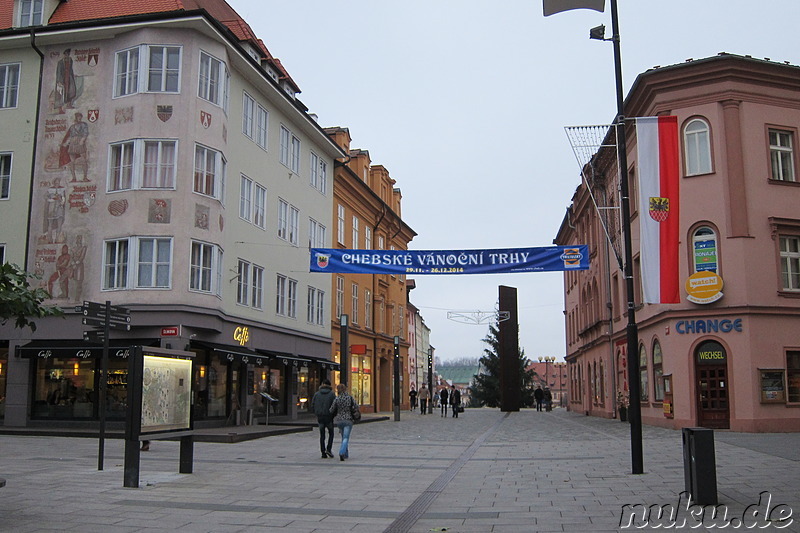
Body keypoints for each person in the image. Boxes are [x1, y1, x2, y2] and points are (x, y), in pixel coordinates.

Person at [330, 383, 358, 461]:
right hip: (348, 420)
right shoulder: (350, 398)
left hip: (339, 420)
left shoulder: (337, 399)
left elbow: (331, 409)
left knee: (343, 437)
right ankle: (342, 452)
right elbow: (356, 406)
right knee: (346, 437)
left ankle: (346, 453)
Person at [310, 379, 335, 458]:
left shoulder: (317, 394)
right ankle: (329, 449)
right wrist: (333, 415)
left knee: (322, 435)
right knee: (331, 433)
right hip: (329, 417)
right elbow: (335, 406)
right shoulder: (332, 394)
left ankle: (323, 452)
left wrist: (316, 413)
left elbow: (312, 405)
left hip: (320, 417)